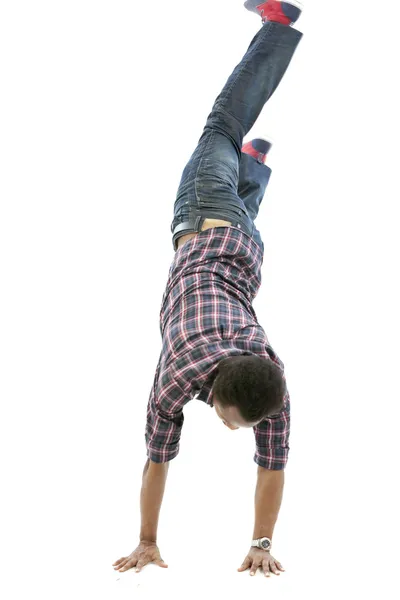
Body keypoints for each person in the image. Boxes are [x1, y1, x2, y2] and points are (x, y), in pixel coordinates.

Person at [112, 0, 304, 578]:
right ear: (216, 388)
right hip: (205, 213)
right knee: (221, 123)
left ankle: (255, 164)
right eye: (229, 419)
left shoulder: (269, 379)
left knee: (242, 194)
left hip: (245, 251)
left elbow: (272, 463)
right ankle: (277, 27)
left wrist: (262, 543)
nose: (227, 426)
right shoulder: (178, 373)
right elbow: (156, 460)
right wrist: (146, 540)